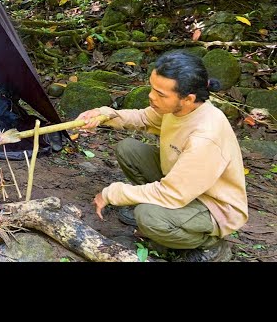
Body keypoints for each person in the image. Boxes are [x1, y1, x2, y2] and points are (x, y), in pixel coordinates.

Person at [76, 50, 248, 262]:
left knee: (148, 217)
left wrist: (113, 193)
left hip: (212, 205)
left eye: (161, 94)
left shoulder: (206, 135)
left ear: (188, 99)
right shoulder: (176, 108)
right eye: (152, 88)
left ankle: (210, 244)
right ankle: (164, 215)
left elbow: (173, 193)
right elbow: (143, 118)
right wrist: (104, 114)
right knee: (129, 149)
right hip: (184, 183)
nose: (151, 97)